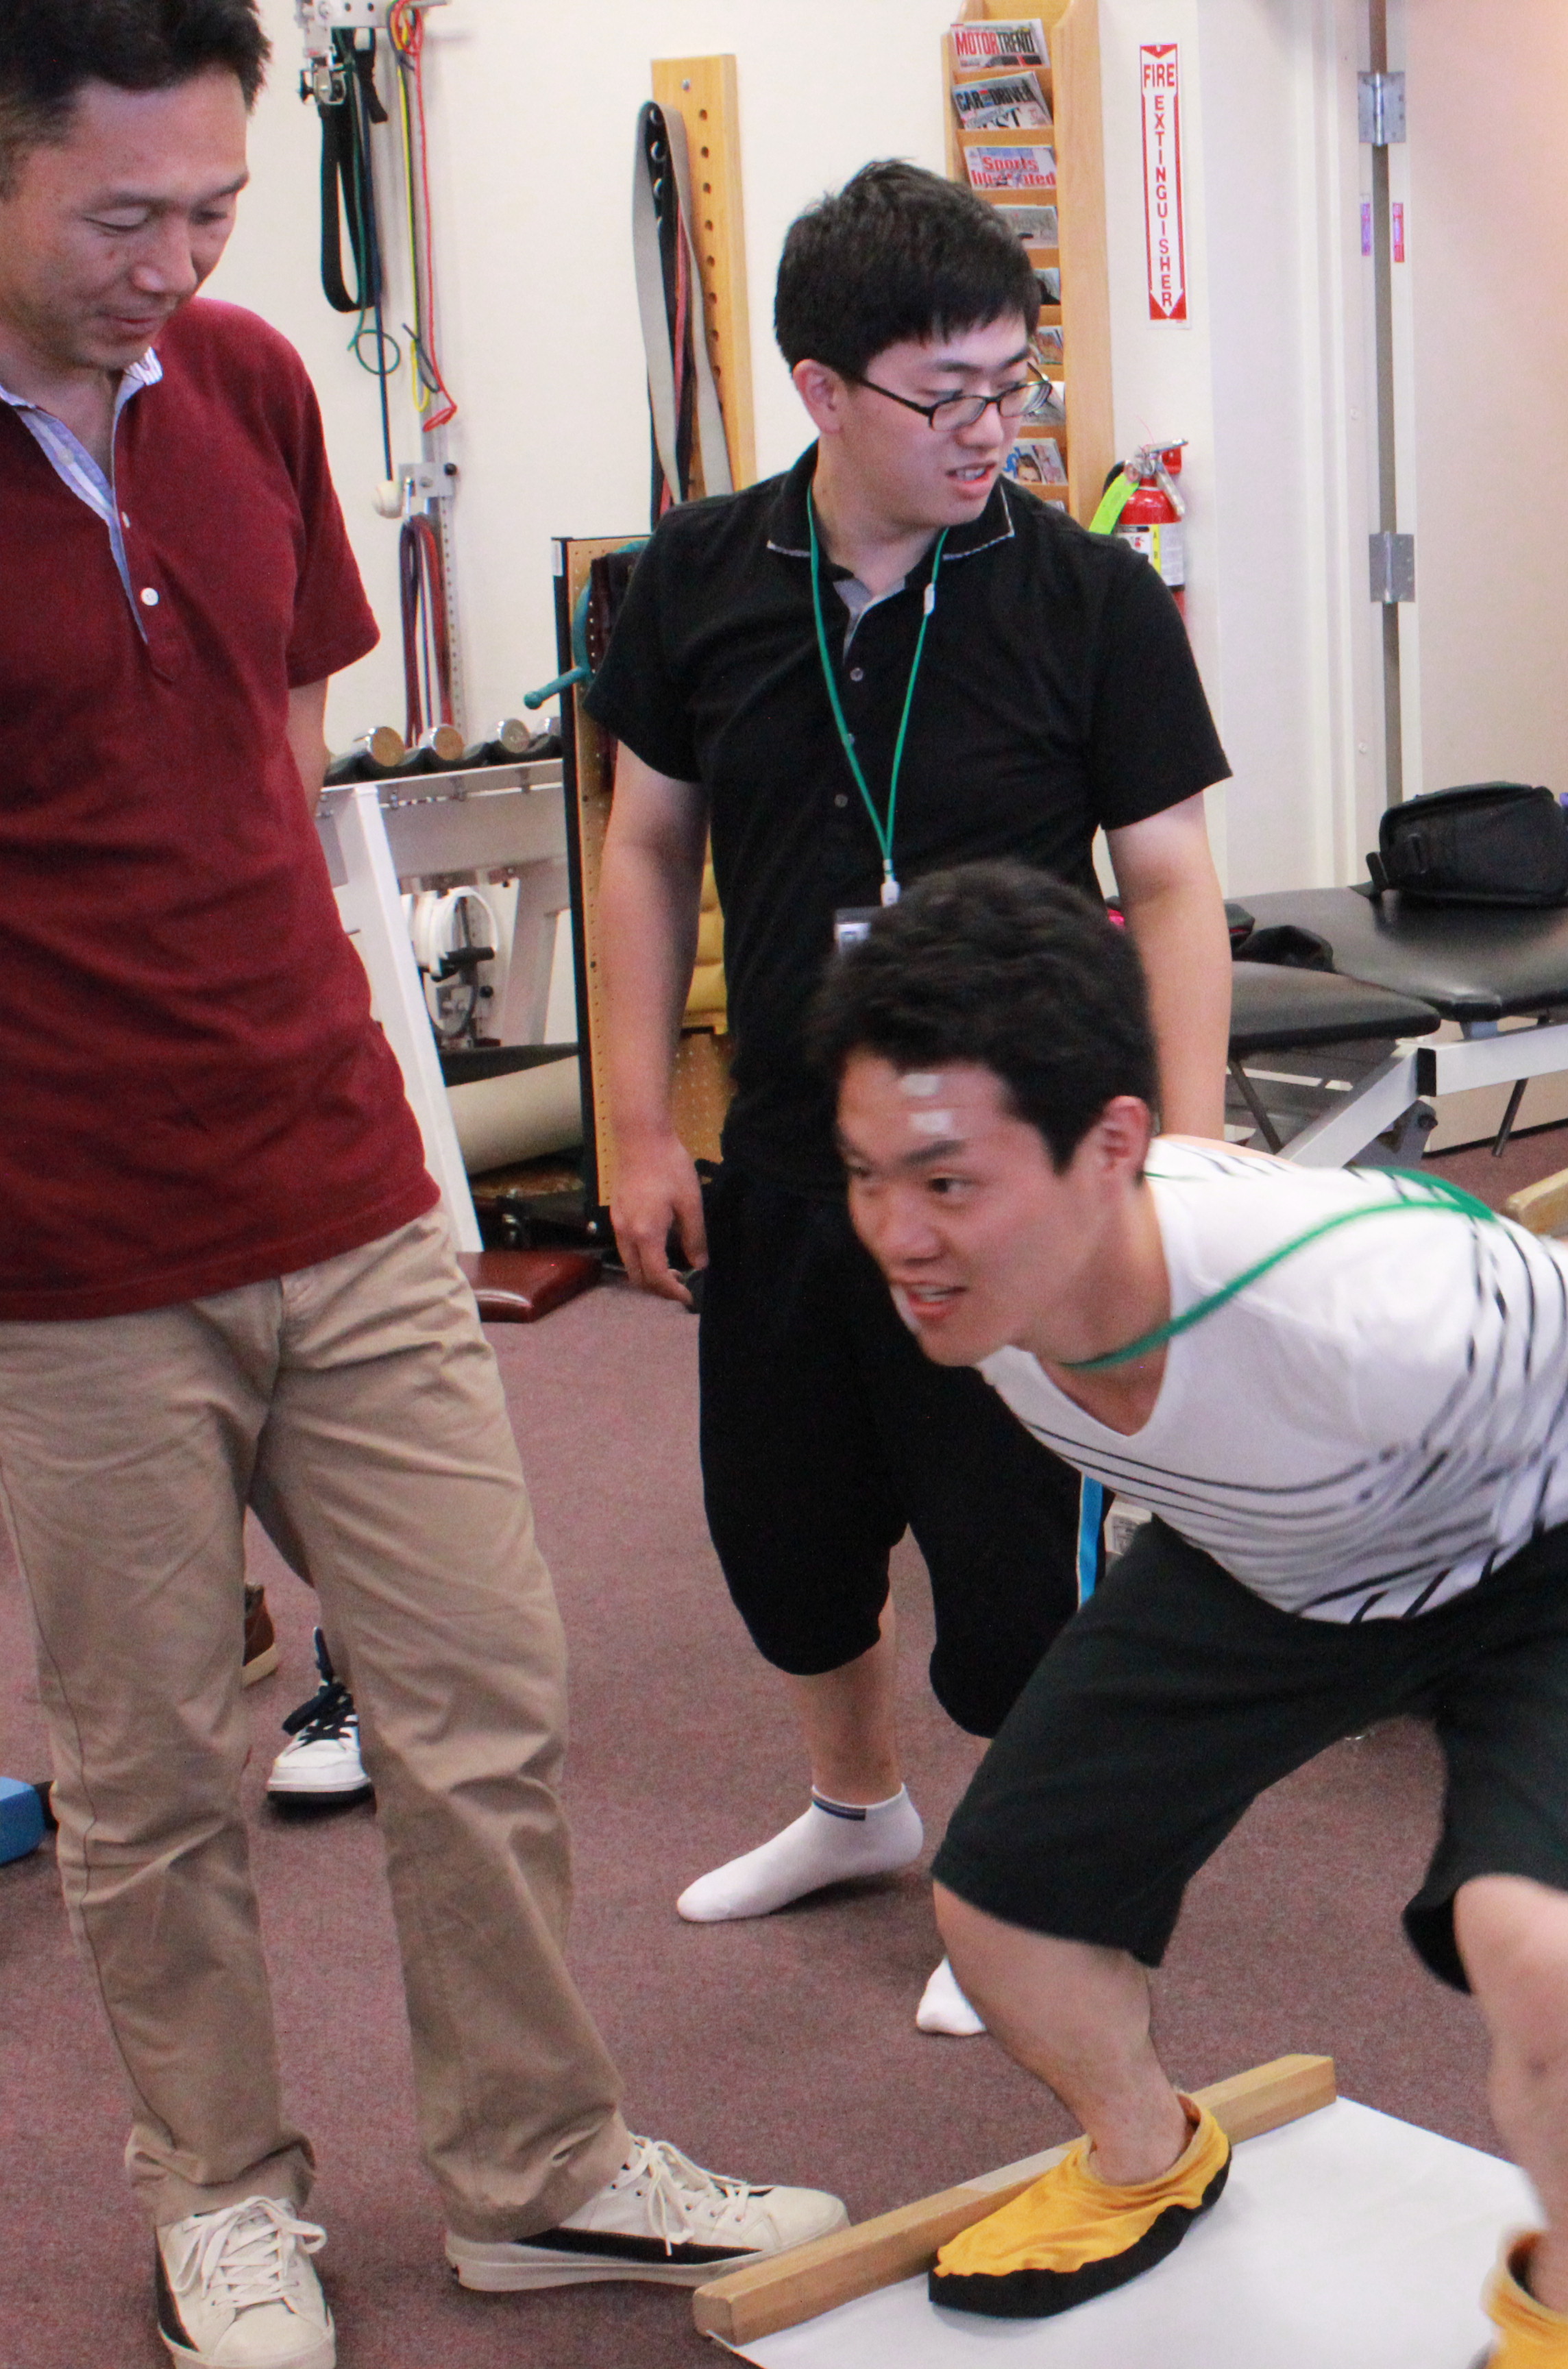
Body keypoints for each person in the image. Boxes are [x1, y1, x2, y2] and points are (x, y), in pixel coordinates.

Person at [0, 10, 845, 2366]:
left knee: (483, 1691)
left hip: (343, 1180)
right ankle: (222, 2199)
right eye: (123, 215)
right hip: (67, 1252)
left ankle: (537, 2165)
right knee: (156, 1773)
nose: (179, 260)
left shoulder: (254, 384)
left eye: (214, 207)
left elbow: (276, 773)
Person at [807, 865, 1568, 2366]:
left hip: (1561, 1549)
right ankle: (1145, 2155)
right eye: (869, 1177)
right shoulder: (981, 1294)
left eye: (948, 1183)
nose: (899, 1235)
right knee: (999, 1915)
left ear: (1113, 1149)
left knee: (1541, 1947)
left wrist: (1520, 1326)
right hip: (1288, 1556)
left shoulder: (1362, 1306)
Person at [588, 160, 1236, 2037]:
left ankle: (1046, 1880)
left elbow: (1175, 885)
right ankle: (856, 1807)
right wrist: (636, 1125)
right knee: (787, 1543)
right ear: (822, 388)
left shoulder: (1086, 594)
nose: (991, 428)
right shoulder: (698, 576)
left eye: (1012, 384)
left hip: (1018, 1189)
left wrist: (1186, 1153)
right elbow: (644, 851)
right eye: (946, 393)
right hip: (797, 1163)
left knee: (1019, 1571)